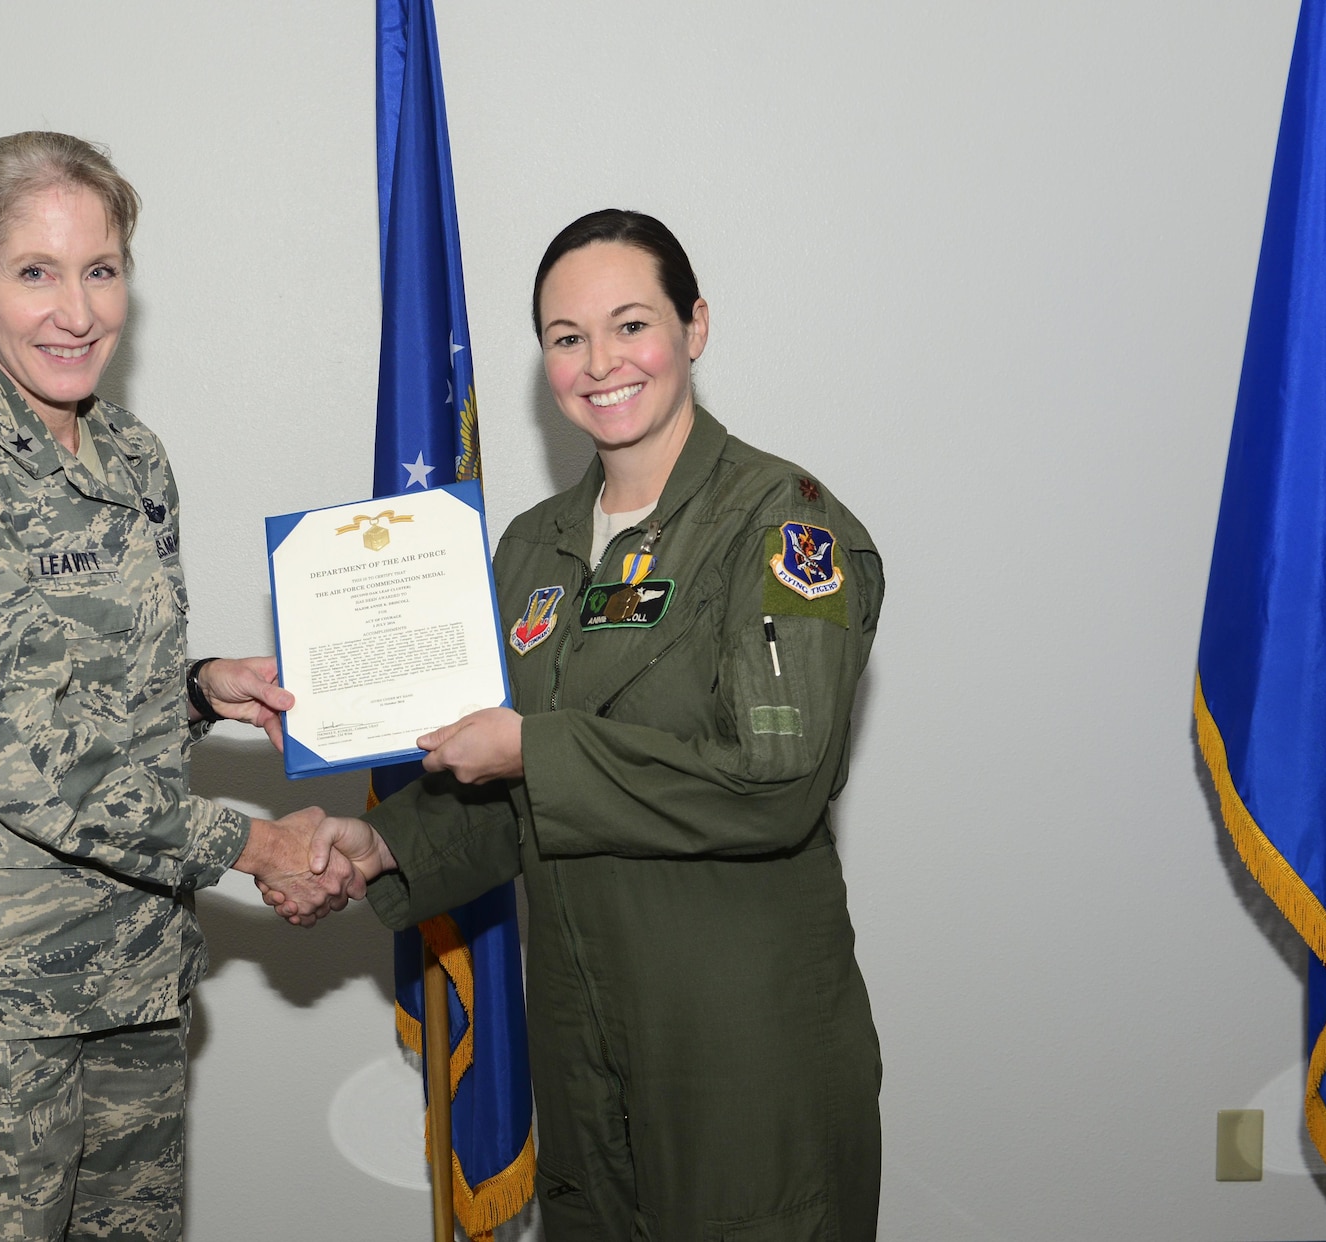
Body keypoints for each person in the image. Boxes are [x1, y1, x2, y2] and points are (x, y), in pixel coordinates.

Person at [291, 210, 885, 1241]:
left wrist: (531, 747)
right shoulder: (530, 551)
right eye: (566, 338)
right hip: (580, 1043)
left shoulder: (781, 525)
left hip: (740, 1055)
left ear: (693, 327)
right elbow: (511, 800)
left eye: (629, 325)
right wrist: (378, 844)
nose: (599, 363)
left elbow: (774, 780)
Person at [0, 131, 355, 1242]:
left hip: (129, 991)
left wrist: (202, 688)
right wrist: (253, 846)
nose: (76, 311)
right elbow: (38, 770)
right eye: (34, 272)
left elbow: (80, 695)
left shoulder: (127, 455)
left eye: (101, 269)